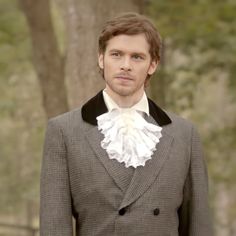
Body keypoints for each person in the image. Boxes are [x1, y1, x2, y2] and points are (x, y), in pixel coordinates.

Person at [40, 12, 212, 236]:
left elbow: (199, 226)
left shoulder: (184, 134)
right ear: (101, 59)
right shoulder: (63, 131)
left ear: (153, 64)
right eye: (116, 54)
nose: (125, 65)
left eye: (137, 57)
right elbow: (54, 227)